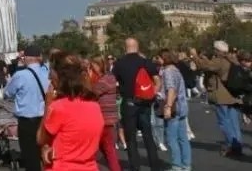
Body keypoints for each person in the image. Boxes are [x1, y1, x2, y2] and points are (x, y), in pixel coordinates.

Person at [38, 53, 103, 171]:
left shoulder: (59, 107)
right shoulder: (95, 107)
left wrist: (48, 105)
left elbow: (41, 139)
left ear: (60, 77)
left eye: (51, 75)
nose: (49, 79)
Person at [111, 38, 161, 171]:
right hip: (145, 103)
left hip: (129, 103)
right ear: (137, 47)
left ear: (125, 47)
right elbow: (157, 80)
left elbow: (113, 82)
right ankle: (155, 165)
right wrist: (152, 95)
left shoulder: (119, 64)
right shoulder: (145, 62)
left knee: (131, 137)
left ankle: (135, 166)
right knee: (148, 135)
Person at [3, 45, 49, 171]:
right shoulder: (47, 72)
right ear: (39, 57)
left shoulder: (20, 75)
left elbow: (7, 93)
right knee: (47, 154)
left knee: (30, 156)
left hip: (27, 121)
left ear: (25, 58)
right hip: (46, 119)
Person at [158, 50, 192, 171]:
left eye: (159, 58)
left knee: (172, 138)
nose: (158, 60)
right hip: (182, 106)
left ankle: (176, 165)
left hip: (174, 107)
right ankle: (186, 164)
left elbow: (171, 89)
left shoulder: (168, 72)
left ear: (164, 58)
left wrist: (168, 106)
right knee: (183, 138)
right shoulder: (176, 70)